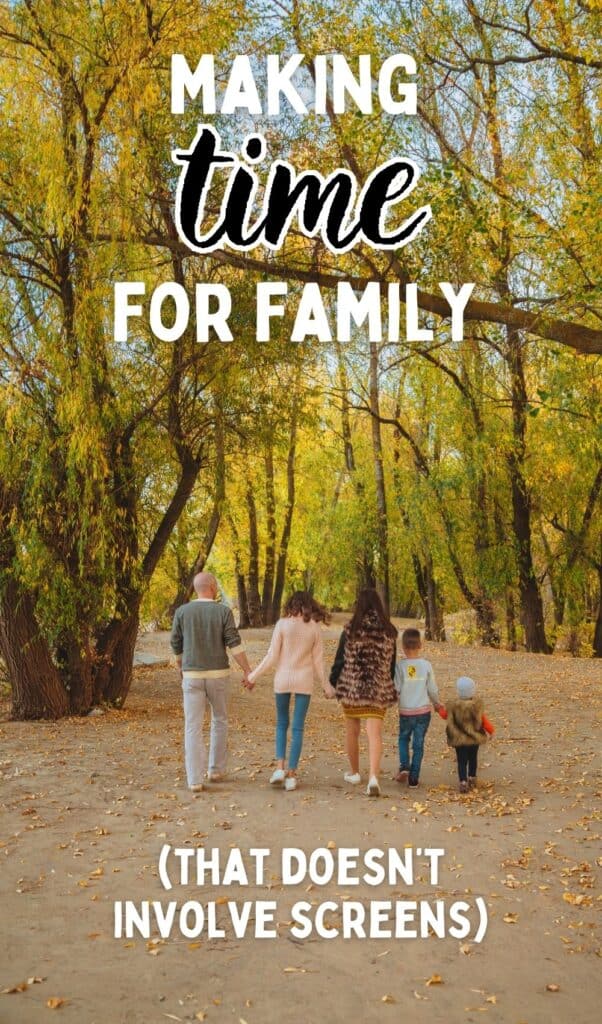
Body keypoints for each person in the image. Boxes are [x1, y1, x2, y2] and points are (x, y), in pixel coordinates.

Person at [170, 571, 253, 792]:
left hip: (192, 676)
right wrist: (247, 670)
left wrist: (180, 665)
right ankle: (215, 769)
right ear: (213, 587)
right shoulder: (223, 612)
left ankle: (194, 780)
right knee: (220, 720)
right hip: (218, 676)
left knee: (192, 727)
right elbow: (234, 643)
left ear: (196, 588)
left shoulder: (182, 612)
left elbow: (176, 643)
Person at [248, 591, 335, 791]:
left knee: (281, 724)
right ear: (309, 605)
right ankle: (292, 774)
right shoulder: (314, 628)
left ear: (290, 605)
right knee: (297, 728)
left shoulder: (282, 625)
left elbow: (271, 656)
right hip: (304, 680)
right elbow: (318, 662)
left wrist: (252, 677)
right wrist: (326, 686)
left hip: (282, 680)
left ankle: (279, 768)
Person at [329, 588, 397, 797]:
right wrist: (389, 684)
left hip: (352, 687)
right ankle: (374, 778)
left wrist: (332, 681)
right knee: (374, 733)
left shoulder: (350, 630)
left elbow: (340, 659)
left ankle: (355, 772)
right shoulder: (389, 631)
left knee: (353, 731)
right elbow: (391, 664)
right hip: (378, 688)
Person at [393, 627, 443, 788]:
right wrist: (436, 703)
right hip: (423, 712)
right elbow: (432, 689)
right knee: (418, 744)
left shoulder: (400, 666)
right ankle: (413, 778)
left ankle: (404, 766)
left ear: (403, 647)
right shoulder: (426, 665)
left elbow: (397, 689)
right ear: (420, 645)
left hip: (406, 712)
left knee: (403, 738)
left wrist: (392, 701)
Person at [441, 676, 495, 793]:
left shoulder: (453, 706)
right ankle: (472, 777)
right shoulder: (476, 707)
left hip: (459, 739)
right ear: (472, 691)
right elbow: (484, 720)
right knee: (473, 758)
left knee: (461, 760)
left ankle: (463, 781)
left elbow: (444, 715)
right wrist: (491, 731)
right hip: (474, 738)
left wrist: (439, 709)